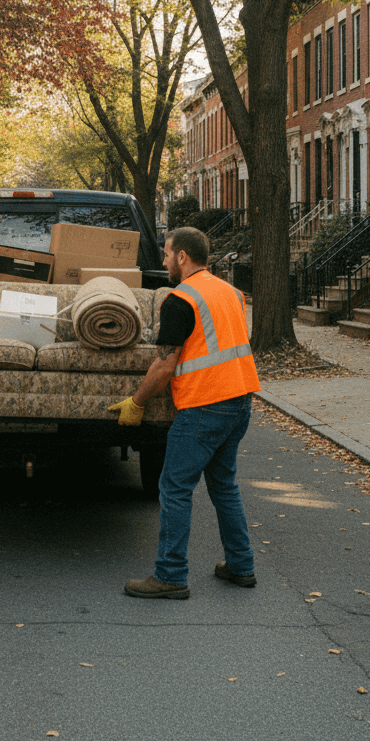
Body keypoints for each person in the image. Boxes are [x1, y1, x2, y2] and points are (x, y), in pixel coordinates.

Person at [108, 226, 260, 600]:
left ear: (182, 257)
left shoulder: (180, 299)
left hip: (204, 407)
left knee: (174, 488)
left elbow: (164, 366)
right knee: (224, 486)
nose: (162, 260)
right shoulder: (232, 293)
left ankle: (171, 575)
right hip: (240, 401)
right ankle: (241, 566)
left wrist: (137, 402)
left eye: (166, 253)